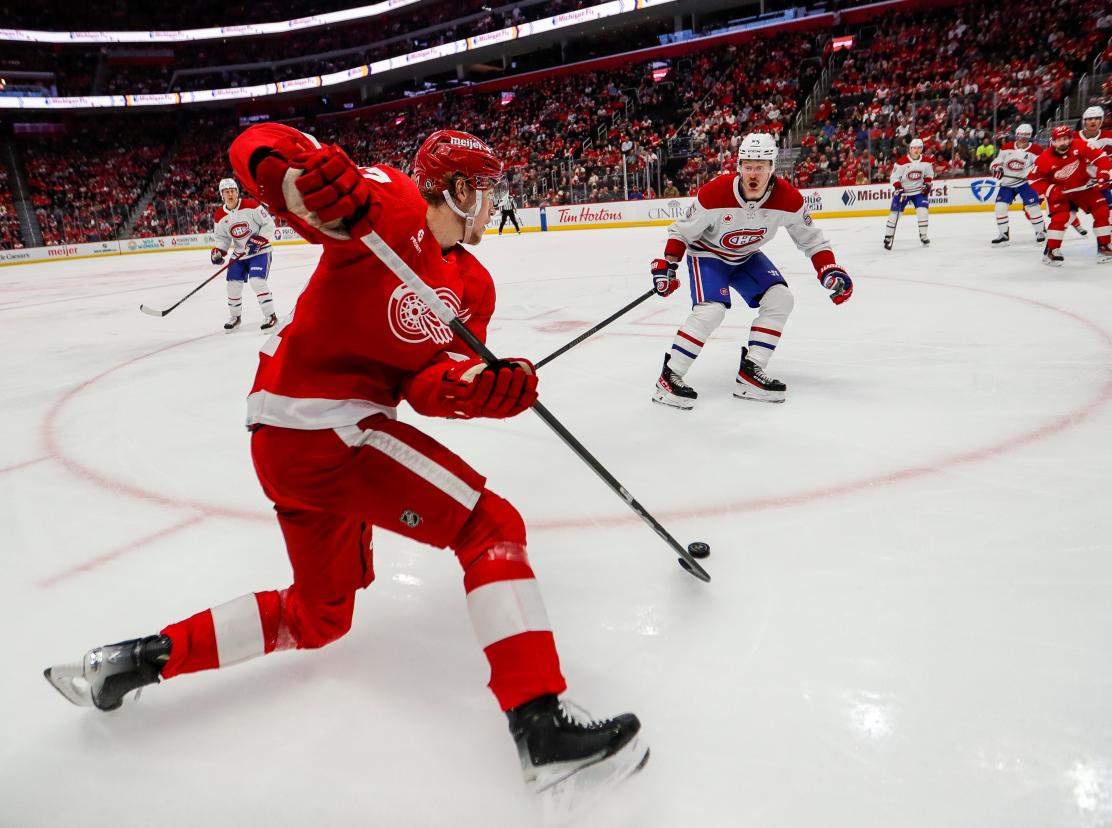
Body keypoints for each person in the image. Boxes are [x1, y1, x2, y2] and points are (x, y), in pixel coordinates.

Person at [44, 124, 649, 805]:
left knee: (318, 619)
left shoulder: (473, 287)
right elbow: (266, 150)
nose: (491, 205)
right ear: (455, 188)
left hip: (297, 440)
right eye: (485, 191)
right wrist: (284, 175)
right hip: (320, 424)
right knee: (488, 524)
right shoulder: (388, 205)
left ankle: (128, 662)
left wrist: (481, 393)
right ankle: (540, 725)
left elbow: (427, 383)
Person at [649, 132, 852, 410]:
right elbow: (681, 232)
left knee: (781, 299)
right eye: (748, 166)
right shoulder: (715, 192)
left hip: (745, 255)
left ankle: (751, 373)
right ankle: (669, 377)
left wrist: (829, 270)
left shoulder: (789, 199)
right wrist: (668, 265)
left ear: (772, 167)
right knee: (711, 311)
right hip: (709, 254)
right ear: (738, 166)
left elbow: (812, 240)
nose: (753, 173)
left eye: (760, 166)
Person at [1027, 125, 1112, 266]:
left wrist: (1103, 175)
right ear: (1053, 141)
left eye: (1065, 139)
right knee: (1061, 217)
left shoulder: (1080, 145)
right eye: (1059, 140)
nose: (1063, 143)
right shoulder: (1045, 158)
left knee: (1102, 210)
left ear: (1070, 138)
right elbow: (1034, 179)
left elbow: (1101, 158)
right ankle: (1052, 251)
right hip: (1059, 192)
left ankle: (1104, 248)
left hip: (1082, 188)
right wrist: (1051, 190)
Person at [212, 177, 278, 332]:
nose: (230, 194)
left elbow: (269, 224)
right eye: (227, 192)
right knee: (233, 286)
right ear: (222, 195)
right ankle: (235, 317)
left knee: (257, 281)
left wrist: (259, 240)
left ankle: (271, 316)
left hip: (260, 251)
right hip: (240, 254)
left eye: (233, 191)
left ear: (237, 192)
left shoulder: (251, 205)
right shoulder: (219, 216)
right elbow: (222, 238)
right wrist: (218, 252)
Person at [989, 124, 1047, 246]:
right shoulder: (1007, 147)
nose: (1023, 138)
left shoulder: (1036, 149)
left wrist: (1034, 174)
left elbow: (1041, 166)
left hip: (1025, 183)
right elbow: (996, 162)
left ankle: (1040, 231)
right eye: (1021, 135)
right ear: (1016, 135)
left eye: (1026, 135)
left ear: (1030, 136)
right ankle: (1004, 235)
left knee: (1032, 207)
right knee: (1000, 207)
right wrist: (996, 168)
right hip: (1007, 183)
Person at [1077, 105, 1112, 227]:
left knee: (1111, 212)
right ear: (1084, 121)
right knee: (1064, 215)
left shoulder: (1110, 136)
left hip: (1098, 182)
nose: (1093, 121)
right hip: (1076, 183)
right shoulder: (1073, 137)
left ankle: (1106, 244)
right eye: (1089, 119)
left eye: (1096, 118)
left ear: (1101, 120)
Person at [884, 137, 934, 249]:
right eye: (914, 148)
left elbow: (929, 175)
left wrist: (927, 183)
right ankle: (888, 236)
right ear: (910, 149)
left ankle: (923, 235)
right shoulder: (901, 162)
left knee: (923, 212)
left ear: (922, 149)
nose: (916, 150)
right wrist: (899, 187)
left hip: (919, 191)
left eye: (919, 148)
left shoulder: (927, 161)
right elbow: (894, 177)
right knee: (895, 214)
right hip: (903, 192)